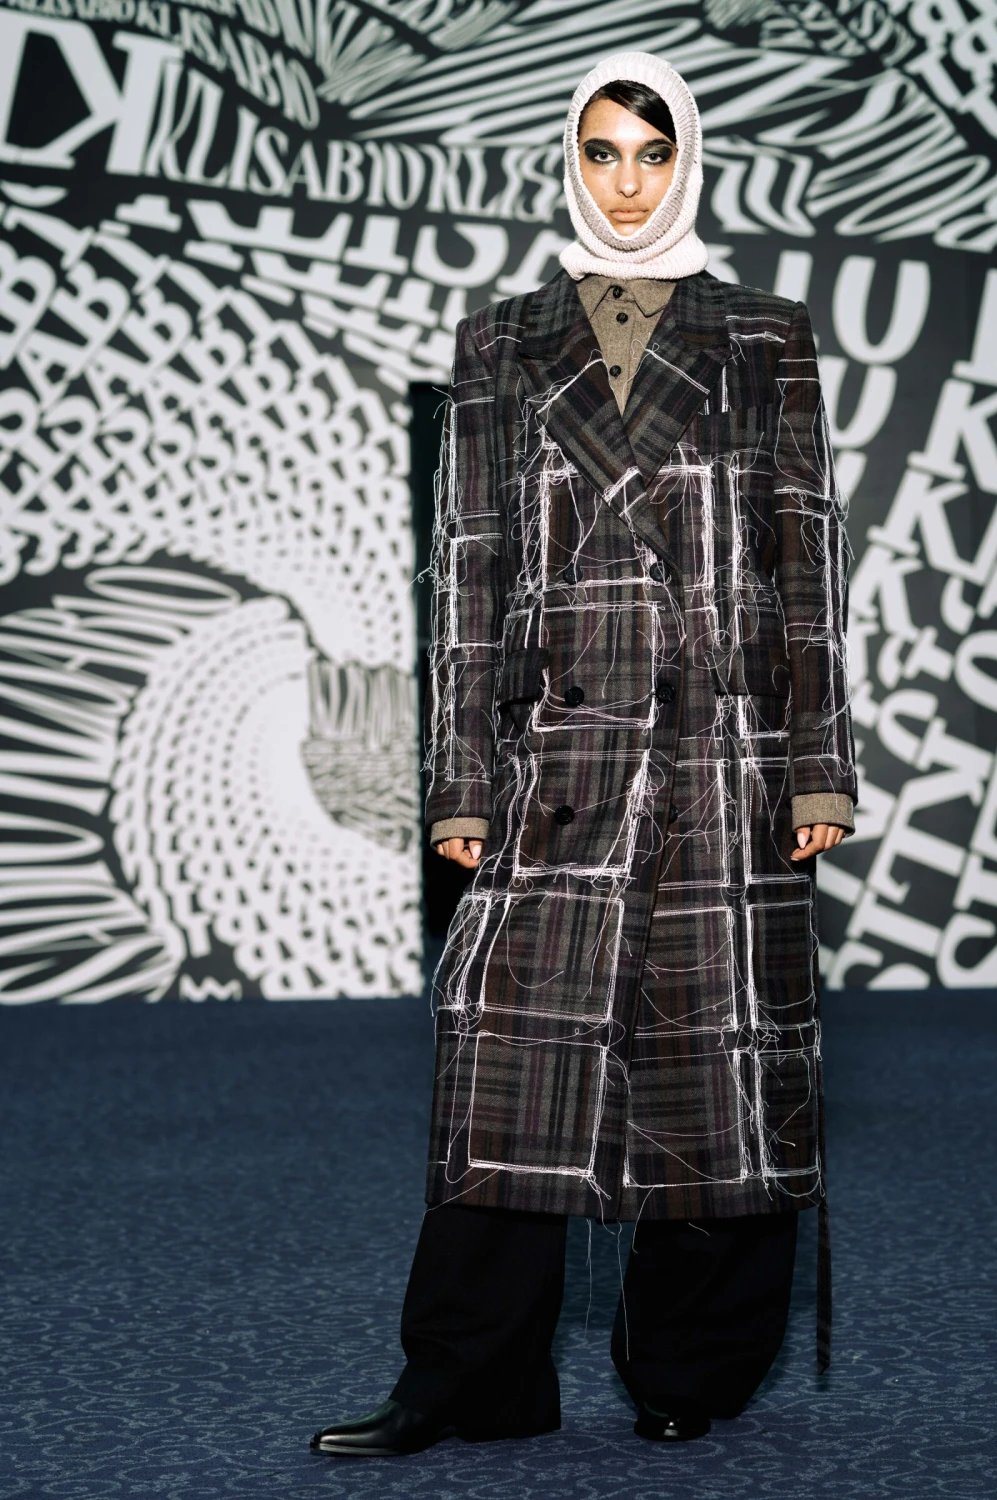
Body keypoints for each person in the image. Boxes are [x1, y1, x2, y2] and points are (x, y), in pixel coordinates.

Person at [311, 49, 856, 1458]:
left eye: (651, 154)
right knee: (504, 1061)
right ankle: (471, 1381)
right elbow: (468, 571)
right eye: (602, 152)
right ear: (572, 160)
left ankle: (693, 1371)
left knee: (716, 1062)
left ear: (690, 163)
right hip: (556, 754)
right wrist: (458, 782)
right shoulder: (501, 340)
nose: (626, 183)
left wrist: (818, 763)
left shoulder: (764, 336)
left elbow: (807, 560)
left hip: (723, 750)